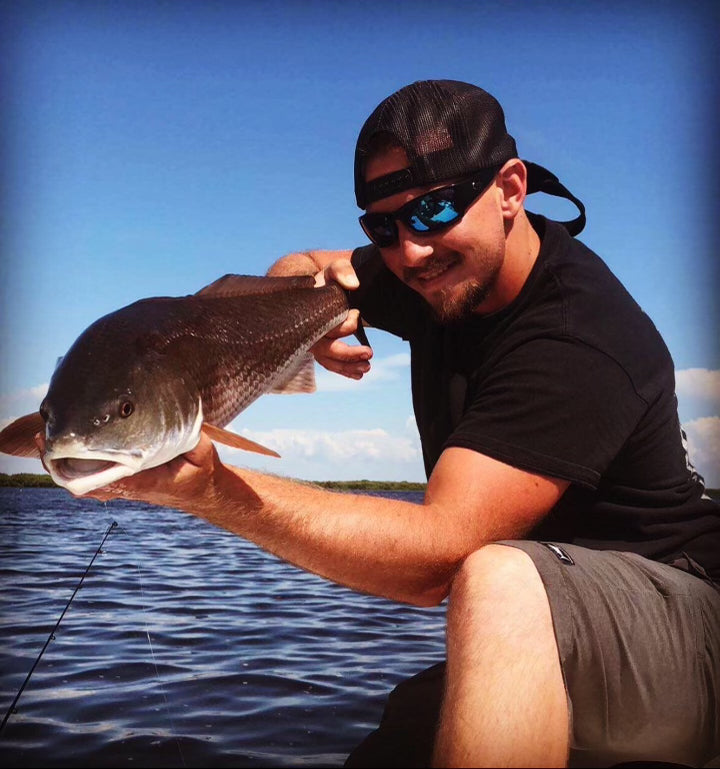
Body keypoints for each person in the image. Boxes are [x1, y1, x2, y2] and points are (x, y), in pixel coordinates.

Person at [62, 80, 719, 767]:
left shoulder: (579, 333)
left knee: (498, 582)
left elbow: (441, 554)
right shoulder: (433, 275)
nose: (410, 252)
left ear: (511, 189)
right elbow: (311, 268)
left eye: (435, 210)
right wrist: (308, 322)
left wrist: (211, 490)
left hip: (687, 619)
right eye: (382, 225)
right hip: (565, 612)